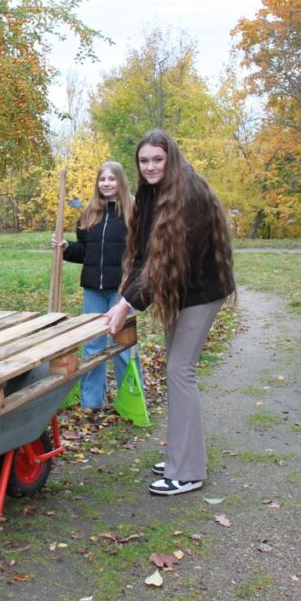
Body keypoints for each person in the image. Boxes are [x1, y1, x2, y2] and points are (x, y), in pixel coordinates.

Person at [105, 129, 235, 496]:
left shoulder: (188, 196)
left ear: (170, 158)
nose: (150, 167)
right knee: (176, 371)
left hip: (201, 292)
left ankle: (189, 470)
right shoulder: (151, 192)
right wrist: (124, 295)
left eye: (157, 160)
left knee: (180, 371)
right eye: (144, 161)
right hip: (179, 290)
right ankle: (182, 453)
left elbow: (165, 263)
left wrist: (128, 304)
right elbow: (145, 255)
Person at [53, 161, 143, 410]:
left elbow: (142, 252)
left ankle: (131, 400)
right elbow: (86, 252)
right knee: (92, 345)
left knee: (123, 345)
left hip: (122, 291)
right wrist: (67, 248)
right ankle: (91, 402)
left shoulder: (133, 212)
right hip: (94, 289)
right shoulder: (90, 213)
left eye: (111, 179)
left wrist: (133, 285)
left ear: (121, 182)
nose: (106, 183)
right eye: (102, 179)